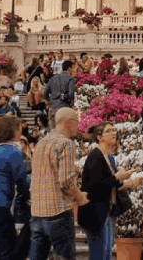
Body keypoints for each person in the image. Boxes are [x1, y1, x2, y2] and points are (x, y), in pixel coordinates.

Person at [29, 108, 88, 260]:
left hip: (37, 211)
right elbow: (66, 182)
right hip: (58, 211)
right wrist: (80, 197)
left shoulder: (40, 143)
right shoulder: (66, 143)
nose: (78, 127)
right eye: (77, 123)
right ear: (69, 123)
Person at [80, 122, 142, 260]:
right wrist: (117, 177)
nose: (114, 132)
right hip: (96, 214)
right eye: (109, 130)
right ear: (100, 137)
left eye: (114, 130)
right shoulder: (95, 157)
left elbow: (110, 184)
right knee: (99, 255)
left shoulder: (108, 157)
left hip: (106, 211)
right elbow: (96, 186)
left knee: (106, 253)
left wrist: (128, 182)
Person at [43, 60, 77, 128]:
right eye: (74, 68)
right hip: (64, 110)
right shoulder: (71, 79)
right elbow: (71, 95)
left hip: (52, 109)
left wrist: (51, 100)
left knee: (52, 133)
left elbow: (44, 93)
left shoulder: (53, 78)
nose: (75, 70)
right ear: (69, 68)